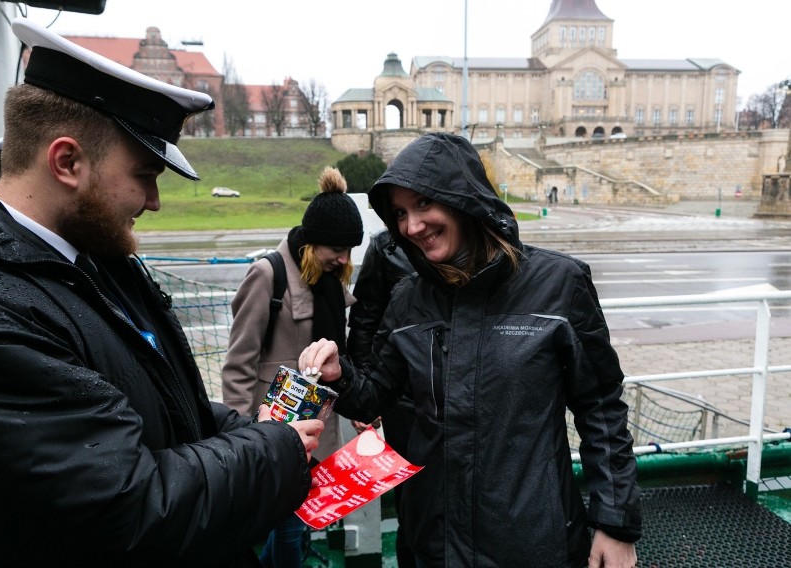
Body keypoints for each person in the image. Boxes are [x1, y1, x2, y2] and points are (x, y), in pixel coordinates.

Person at [0, 18, 323, 567]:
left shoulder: (92, 256)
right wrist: (275, 448)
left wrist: (261, 428)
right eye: (145, 174)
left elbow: (167, 410)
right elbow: (130, 507)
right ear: (67, 162)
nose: (155, 200)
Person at [299, 132, 641, 567]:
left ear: (464, 200)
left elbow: (601, 408)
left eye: (424, 203)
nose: (412, 226)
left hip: (532, 538)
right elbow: (375, 393)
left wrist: (615, 523)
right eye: (401, 213)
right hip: (433, 538)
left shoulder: (560, 285)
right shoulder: (407, 299)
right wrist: (340, 375)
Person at [222, 166, 363, 567]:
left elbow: (343, 358)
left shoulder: (330, 280)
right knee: (287, 526)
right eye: (338, 249)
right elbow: (238, 364)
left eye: (350, 250)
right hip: (275, 429)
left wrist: (357, 413)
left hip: (319, 428)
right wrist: (244, 435)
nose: (345, 259)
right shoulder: (269, 275)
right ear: (314, 242)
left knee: (302, 523)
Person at [347, 229, 417, 568]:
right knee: (413, 509)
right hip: (405, 403)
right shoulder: (385, 248)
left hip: (468, 400)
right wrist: (367, 393)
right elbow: (364, 322)